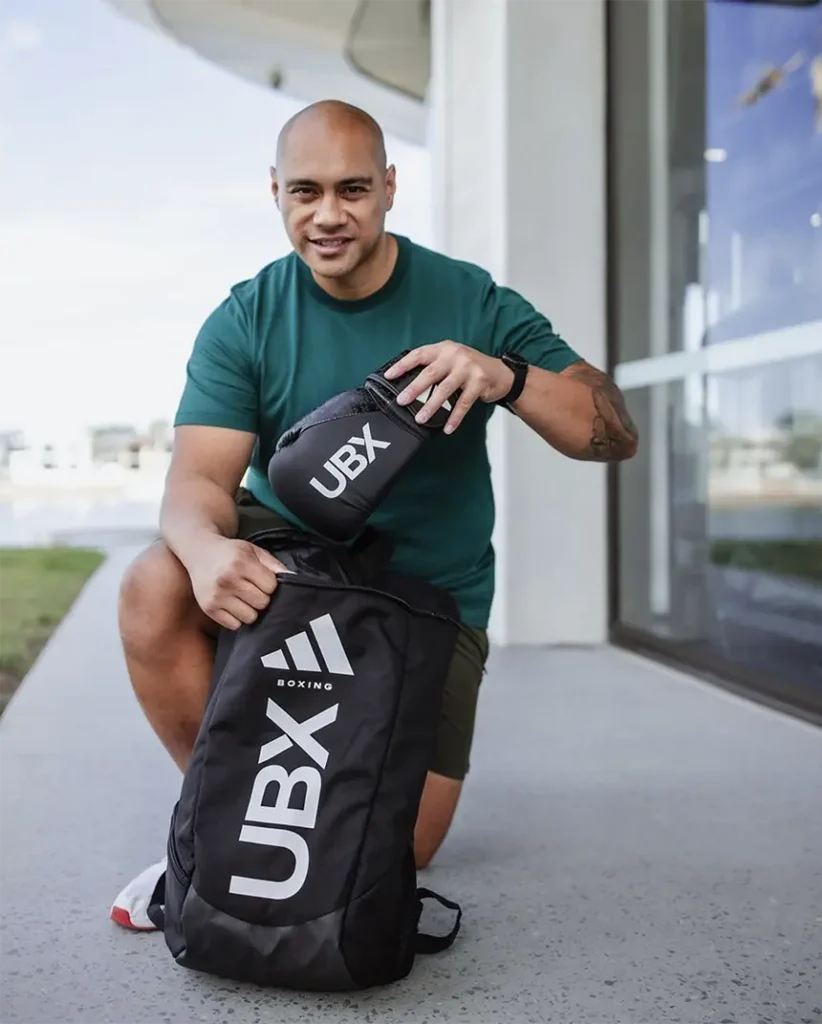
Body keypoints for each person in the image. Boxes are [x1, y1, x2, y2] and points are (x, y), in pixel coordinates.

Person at [110, 99, 638, 931]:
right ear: (276, 192)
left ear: (389, 187)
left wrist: (505, 376)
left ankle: (292, 816)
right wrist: (207, 550)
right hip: (293, 566)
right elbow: (196, 482)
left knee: (406, 848)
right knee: (155, 583)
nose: (328, 214)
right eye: (305, 191)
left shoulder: (471, 300)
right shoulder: (246, 316)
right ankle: (216, 824)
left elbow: (609, 434)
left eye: (352, 189)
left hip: (428, 595)